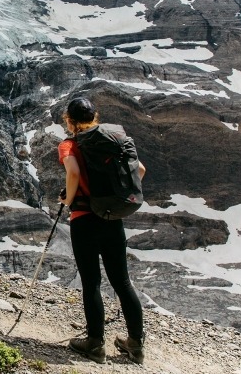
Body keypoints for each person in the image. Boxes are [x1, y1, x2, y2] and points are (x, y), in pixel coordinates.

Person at [58, 97, 146, 364]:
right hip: (112, 216)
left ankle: (95, 344)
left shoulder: (70, 144)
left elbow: (72, 172)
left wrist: (68, 199)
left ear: (69, 121)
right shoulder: (113, 140)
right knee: (122, 281)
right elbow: (140, 170)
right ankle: (135, 345)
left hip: (84, 217)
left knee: (91, 282)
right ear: (95, 117)